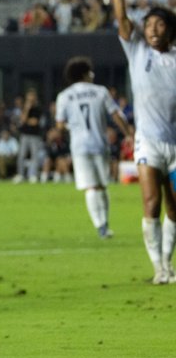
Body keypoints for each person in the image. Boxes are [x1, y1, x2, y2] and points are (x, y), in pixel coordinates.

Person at [111, 0, 176, 284]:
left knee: (174, 208)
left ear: (170, 29)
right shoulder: (137, 50)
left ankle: (168, 261)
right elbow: (121, 16)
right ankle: (158, 269)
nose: (151, 29)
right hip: (148, 142)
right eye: (148, 24)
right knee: (150, 203)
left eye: (159, 25)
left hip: (175, 144)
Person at [55, 56, 134, 238]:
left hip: (79, 146)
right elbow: (116, 115)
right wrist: (129, 134)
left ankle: (100, 226)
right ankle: (104, 223)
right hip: (100, 144)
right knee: (102, 185)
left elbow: (60, 125)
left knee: (90, 187)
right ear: (84, 74)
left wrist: (71, 127)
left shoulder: (64, 96)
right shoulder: (100, 91)